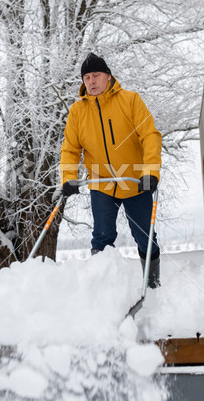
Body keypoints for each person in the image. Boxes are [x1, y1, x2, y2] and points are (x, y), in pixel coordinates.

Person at [59, 53, 162, 288]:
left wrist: (150, 172)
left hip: (135, 180)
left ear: (108, 76)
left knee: (145, 237)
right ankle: (104, 289)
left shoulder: (130, 100)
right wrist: (68, 177)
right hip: (101, 183)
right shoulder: (77, 111)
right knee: (102, 237)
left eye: (96, 75)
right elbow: (70, 149)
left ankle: (153, 285)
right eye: (86, 77)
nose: (91, 81)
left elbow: (150, 136)